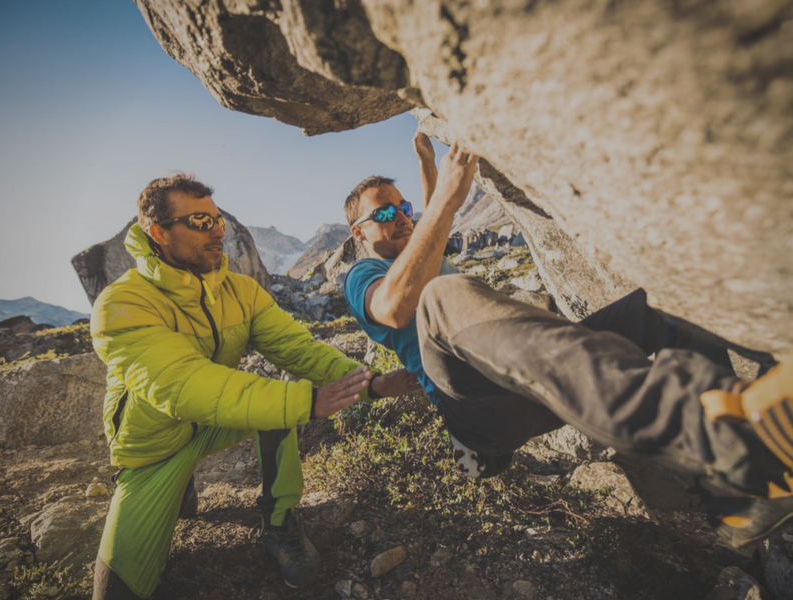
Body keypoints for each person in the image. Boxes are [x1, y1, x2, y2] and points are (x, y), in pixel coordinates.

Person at [343, 131, 793, 549]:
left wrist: (426, 164)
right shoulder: (364, 274)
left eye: (403, 207)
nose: (401, 217)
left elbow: (427, 223)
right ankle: (725, 442)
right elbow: (396, 306)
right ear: (359, 232)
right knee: (440, 296)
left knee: (663, 306)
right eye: (383, 213)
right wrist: (444, 196)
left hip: (529, 376)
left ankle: (737, 498)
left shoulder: (421, 246)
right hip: (477, 416)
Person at [90, 174, 418, 599]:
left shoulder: (240, 291)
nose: (217, 232)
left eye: (218, 221)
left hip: (214, 422)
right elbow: (184, 386)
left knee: (278, 406)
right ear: (159, 233)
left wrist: (370, 385)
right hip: (155, 448)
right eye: (200, 222)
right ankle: (178, 484)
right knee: (118, 592)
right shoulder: (121, 304)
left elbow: (300, 350)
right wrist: (307, 402)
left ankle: (280, 524)